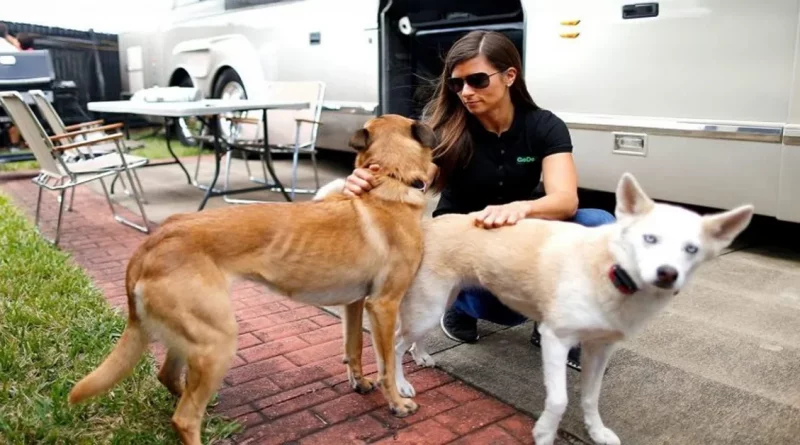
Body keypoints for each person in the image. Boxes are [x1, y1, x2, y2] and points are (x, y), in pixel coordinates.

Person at [342, 30, 615, 371]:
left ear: (509, 76)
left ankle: (558, 323)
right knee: (501, 312)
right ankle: (458, 305)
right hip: (461, 240)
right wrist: (367, 181)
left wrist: (521, 207)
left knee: (599, 225)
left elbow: (565, 200)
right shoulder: (443, 128)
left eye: (477, 80)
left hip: (517, 229)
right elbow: (415, 179)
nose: (466, 93)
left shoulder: (544, 126)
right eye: (457, 84)